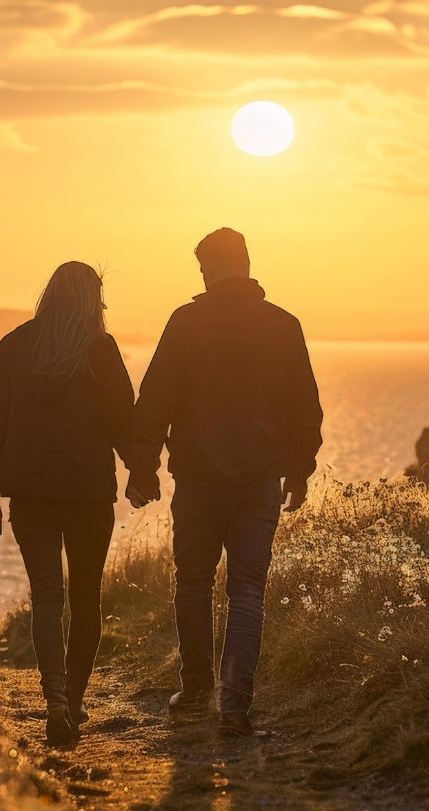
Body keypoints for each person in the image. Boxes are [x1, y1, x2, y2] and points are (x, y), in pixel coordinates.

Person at [127, 228, 323, 738]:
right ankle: (235, 702)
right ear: (246, 263)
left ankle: (195, 692)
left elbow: (154, 401)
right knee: (247, 590)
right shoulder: (283, 325)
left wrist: (143, 467)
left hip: (197, 478)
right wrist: (300, 470)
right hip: (260, 479)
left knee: (192, 583)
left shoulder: (187, 323)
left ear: (209, 267)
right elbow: (306, 407)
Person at [0, 261, 136, 749]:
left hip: (31, 496)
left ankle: (56, 702)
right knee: (86, 600)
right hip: (87, 494)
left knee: (47, 596)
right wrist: (143, 473)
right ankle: (74, 702)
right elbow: (123, 423)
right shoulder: (99, 350)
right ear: (93, 300)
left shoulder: (13, 346)